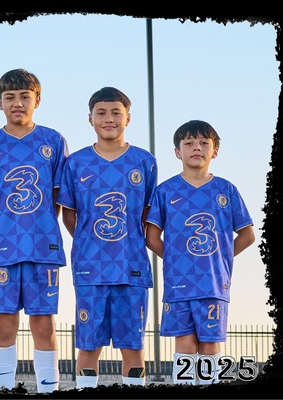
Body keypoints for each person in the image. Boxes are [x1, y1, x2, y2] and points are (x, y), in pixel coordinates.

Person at [0, 69, 68, 392]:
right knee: (4, 324)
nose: (17, 103)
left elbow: (57, 197)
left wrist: (38, 226)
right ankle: (2, 389)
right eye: (10, 97)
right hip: (2, 246)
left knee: (43, 324)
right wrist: (6, 228)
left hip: (42, 246)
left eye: (24, 96)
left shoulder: (53, 141)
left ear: (36, 100)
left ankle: (48, 389)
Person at [57, 86, 157, 388]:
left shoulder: (144, 161)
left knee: (133, 347)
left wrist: (126, 241)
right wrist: (90, 242)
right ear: (90, 119)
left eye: (116, 112)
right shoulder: (76, 163)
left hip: (131, 266)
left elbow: (147, 215)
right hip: (91, 268)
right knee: (88, 346)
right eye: (101, 113)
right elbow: (70, 216)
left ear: (128, 118)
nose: (109, 119)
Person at [146, 120, 255, 385]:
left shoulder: (226, 190)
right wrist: (176, 260)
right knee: (184, 343)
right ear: (178, 151)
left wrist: (219, 260)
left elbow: (248, 235)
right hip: (178, 283)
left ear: (214, 151)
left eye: (204, 143)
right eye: (189, 143)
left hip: (213, 284)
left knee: (209, 344)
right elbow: (151, 237)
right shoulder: (165, 191)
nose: (197, 147)